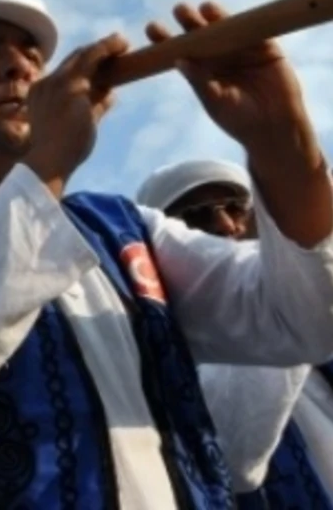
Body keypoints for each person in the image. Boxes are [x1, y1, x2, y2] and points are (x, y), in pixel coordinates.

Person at [0, 0, 333, 508]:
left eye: (32, 54)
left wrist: (280, 140)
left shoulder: (126, 227)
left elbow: (304, 319)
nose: (20, 66)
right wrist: (50, 162)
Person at [138, 160, 333, 508]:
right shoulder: (162, 358)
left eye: (236, 208)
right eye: (197, 216)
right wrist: (290, 299)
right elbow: (232, 452)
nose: (226, 225)